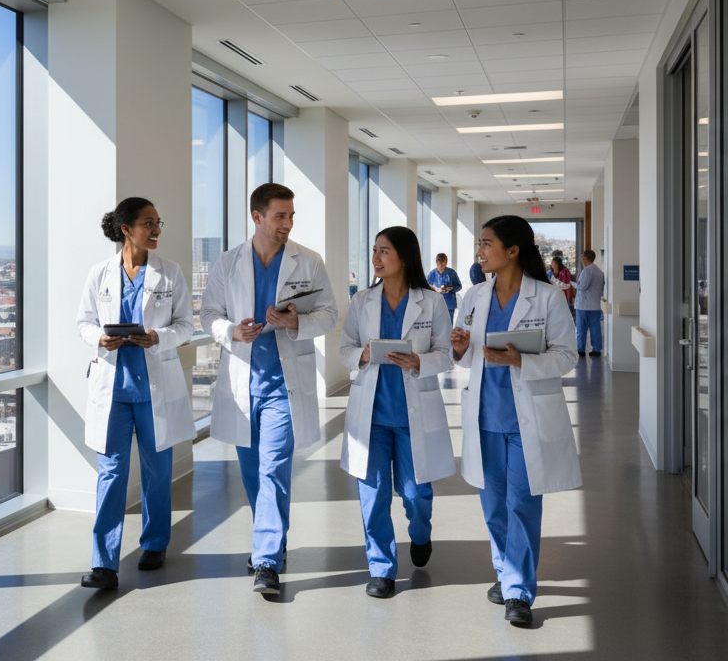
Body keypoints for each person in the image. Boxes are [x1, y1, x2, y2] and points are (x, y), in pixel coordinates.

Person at [201, 183, 338, 596]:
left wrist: (296, 322)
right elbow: (209, 314)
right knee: (253, 475)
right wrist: (230, 331)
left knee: (273, 467)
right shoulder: (228, 263)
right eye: (280, 215)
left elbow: (330, 314)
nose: (288, 223)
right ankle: (272, 542)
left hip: (285, 383)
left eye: (291, 215)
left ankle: (266, 562)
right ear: (257, 217)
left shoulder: (308, 261)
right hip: (243, 384)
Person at [450, 215, 579, 627]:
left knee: (521, 503)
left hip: (529, 418)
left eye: (487, 244)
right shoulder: (473, 297)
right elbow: (464, 355)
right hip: (485, 415)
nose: (480, 251)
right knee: (493, 507)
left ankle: (519, 592)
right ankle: (506, 572)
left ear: (512, 250)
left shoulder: (548, 297)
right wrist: (459, 347)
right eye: (479, 244)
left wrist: (519, 359)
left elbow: (566, 356)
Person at [76, 197, 195, 590]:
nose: (158, 230)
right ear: (127, 229)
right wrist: (99, 339)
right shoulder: (100, 273)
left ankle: (155, 542)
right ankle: (104, 562)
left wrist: (158, 337)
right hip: (112, 388)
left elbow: (185, 326)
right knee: (111, 474)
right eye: (149, 223)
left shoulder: (171, 273)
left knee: (157, 471)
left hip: (153, 386)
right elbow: (84, 323)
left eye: (158, 222)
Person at [339, 227, 455, 599]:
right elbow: (345, 348)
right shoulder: (362, 301)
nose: (375, 257)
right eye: (374, 250)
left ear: (404, 257)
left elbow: (447, 354)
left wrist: (419, 360)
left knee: (415, 494)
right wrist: (363, 355)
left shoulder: (431, 303)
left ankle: (420, 533)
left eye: (383, 251)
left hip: (412, 413)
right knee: (372, 494)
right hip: (370, 415)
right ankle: (381, 568)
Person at [573, 249, 605, 358]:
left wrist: (573, 284)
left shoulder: (587, 270)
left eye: (582, 257)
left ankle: (580, 350)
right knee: (595, 328)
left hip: (583, 305)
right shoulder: (600, 272)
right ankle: (596, 349)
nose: (581, 259)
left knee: (581, 329)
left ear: (585, 258)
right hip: (595, 305)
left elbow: (583, 286)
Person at [426, 253, 463, 323]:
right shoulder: (432, 274)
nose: (441, 267)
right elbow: (425, 287)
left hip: (449, 305)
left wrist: (452, 288)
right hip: (436, 305)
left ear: (446, 262)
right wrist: (435, 289)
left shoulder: (452, 273)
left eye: (443, 265)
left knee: (449, 326)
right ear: (436, 263)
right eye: (439, 265)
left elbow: (459, 286)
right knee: (437, 327)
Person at [548, 256, 575, 321]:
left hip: (565, 296)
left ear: (559, 265)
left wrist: (553, 284)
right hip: (556, 297)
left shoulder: (564, 272)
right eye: (552, 265)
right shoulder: (551, 272)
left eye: (555, 265)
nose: (553, 266)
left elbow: (565, 285)